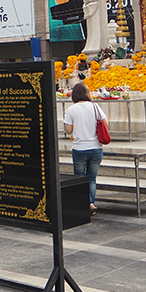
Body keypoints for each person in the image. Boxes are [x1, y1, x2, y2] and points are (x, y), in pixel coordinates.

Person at [63, 82, 108, 214]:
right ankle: (90, 203)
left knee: (79, 178)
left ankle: (83, 204)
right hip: (96, 148)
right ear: (87, 93)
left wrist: (67, 117)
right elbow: (105, 123)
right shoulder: (95, 106)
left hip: (79, 149)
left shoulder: (71, 110)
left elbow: (69, 130)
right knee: (92, 178)